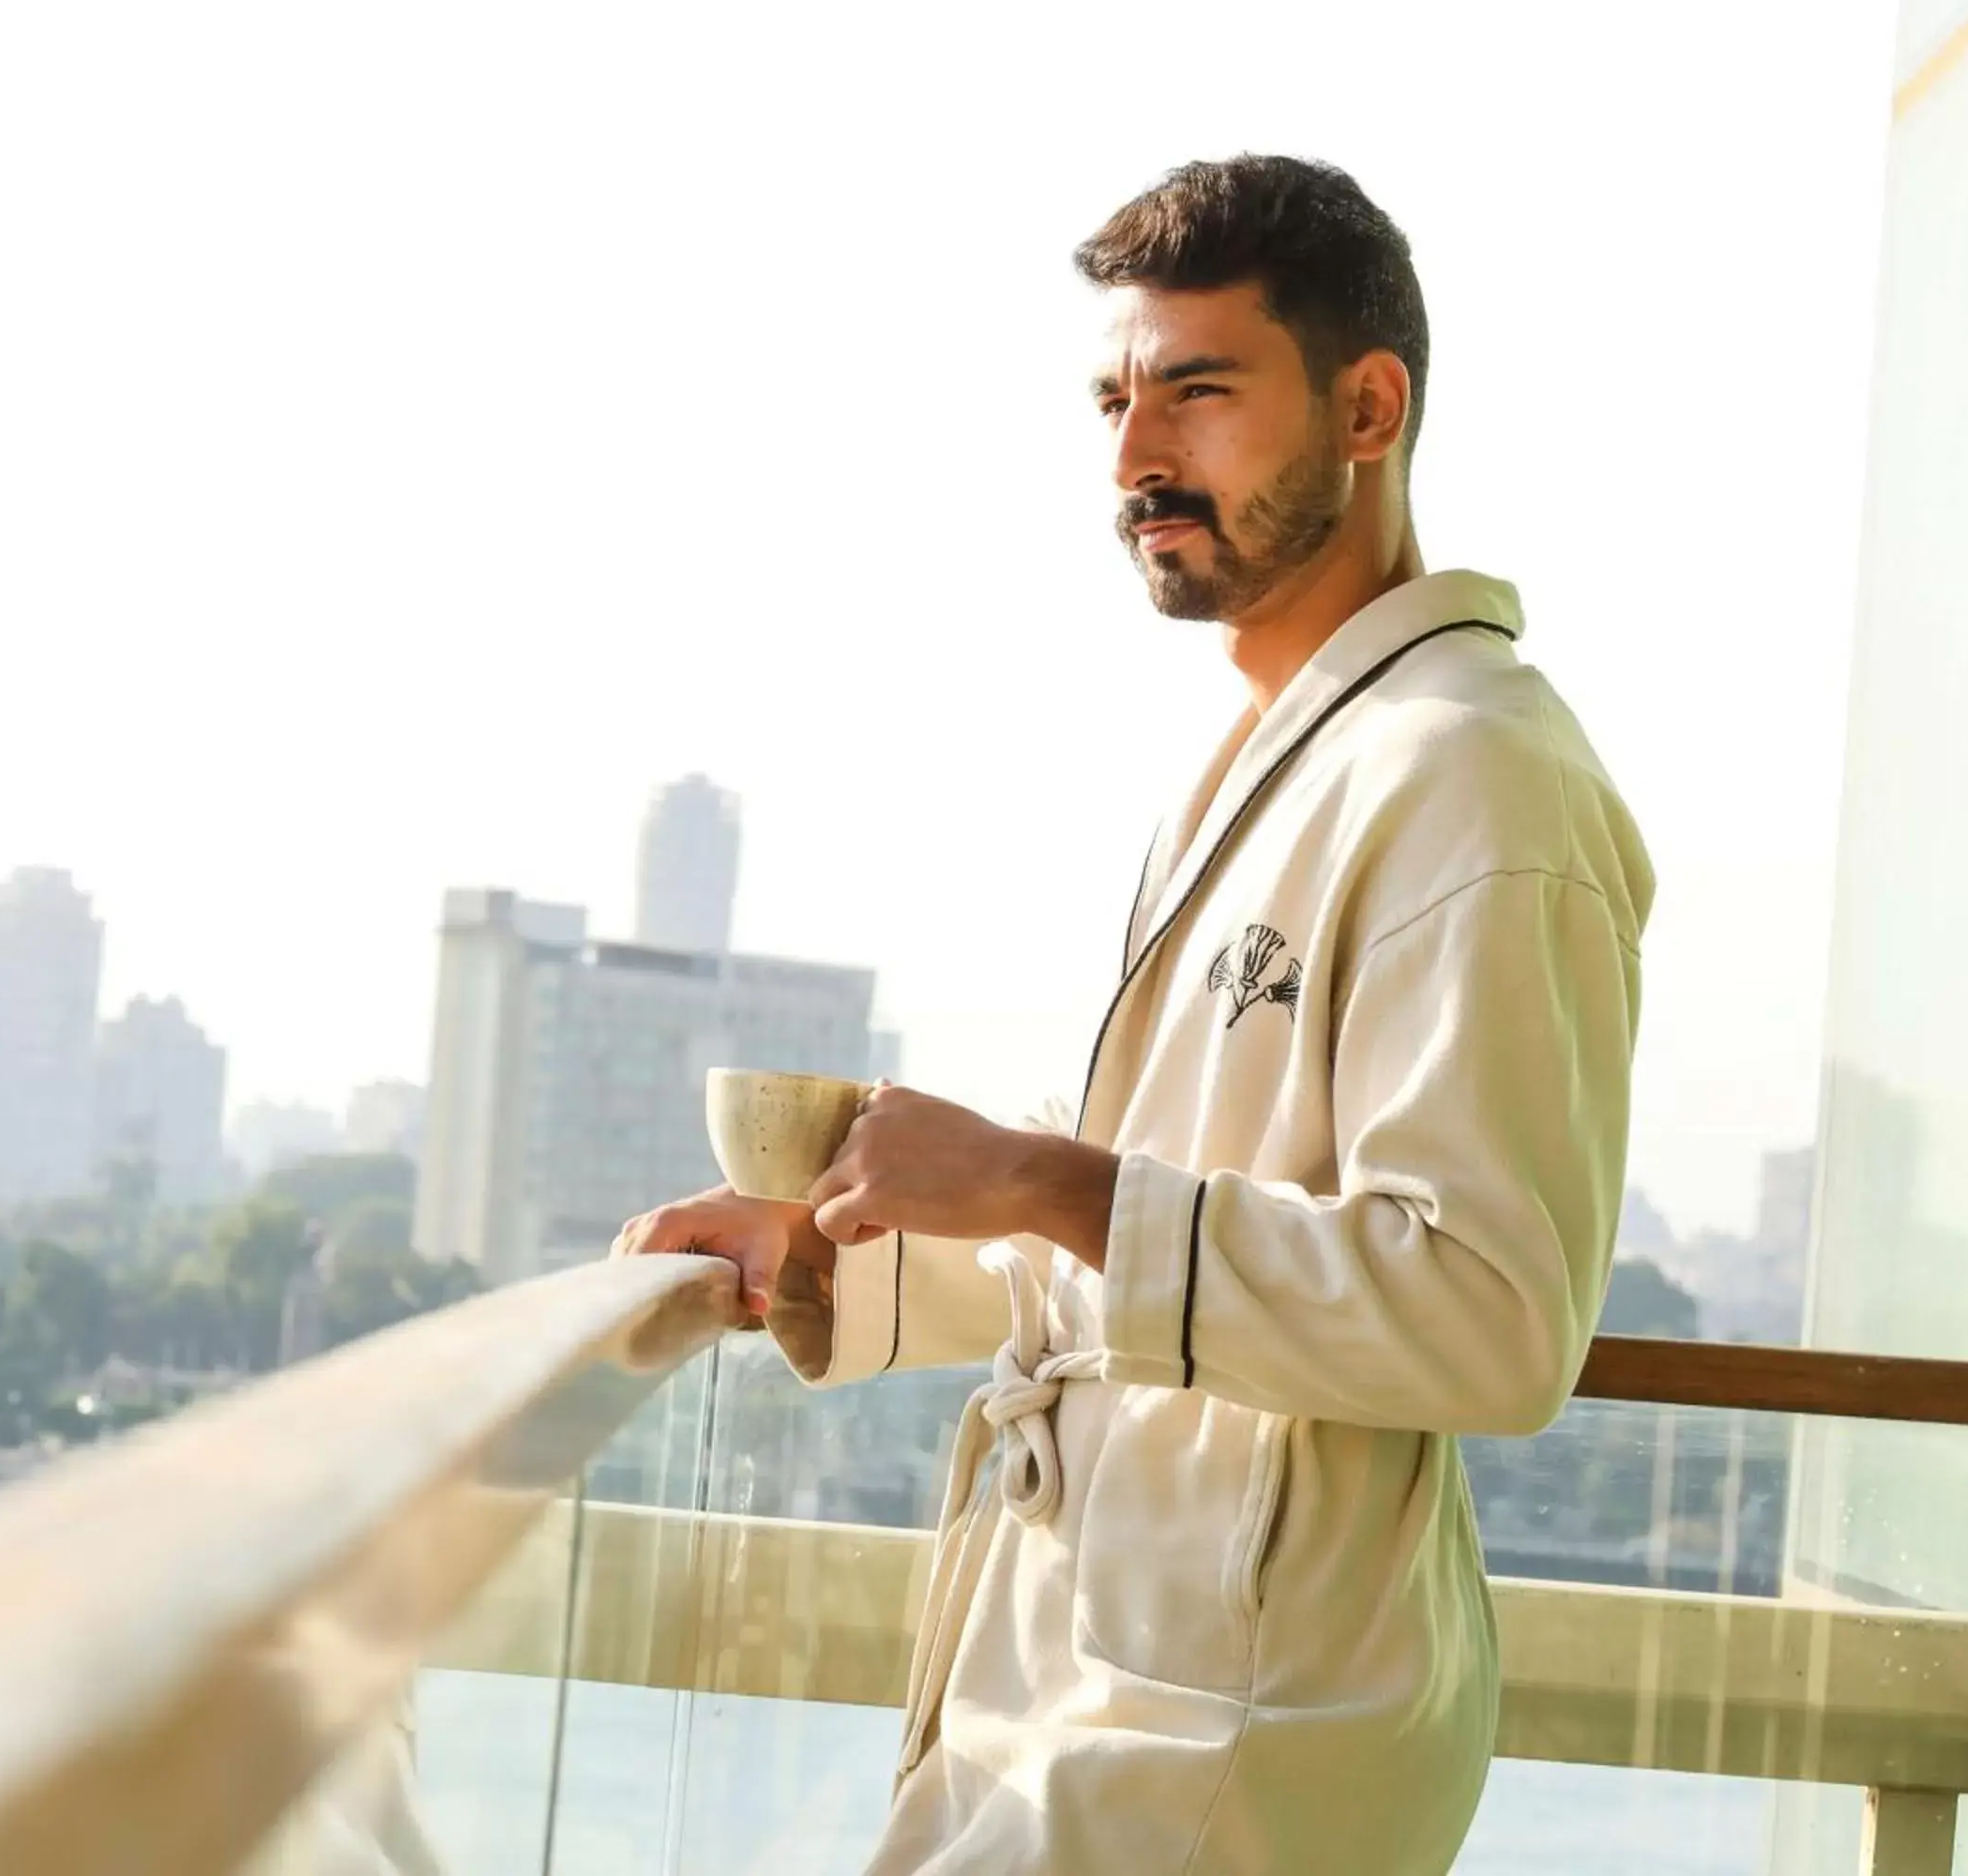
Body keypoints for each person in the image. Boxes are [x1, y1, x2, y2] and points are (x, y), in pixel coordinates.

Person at [611, 154, 1652, 1874]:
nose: (1132, 459)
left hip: (1237, 1724)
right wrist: (829, 1249)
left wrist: (1037, 1176)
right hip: (1101, 1678)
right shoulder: (1272, 763)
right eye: (1113, 398)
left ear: (1369, 405)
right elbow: (1150, 1255)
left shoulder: (1476, 779)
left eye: (1200, 391)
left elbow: (1487, 1316)